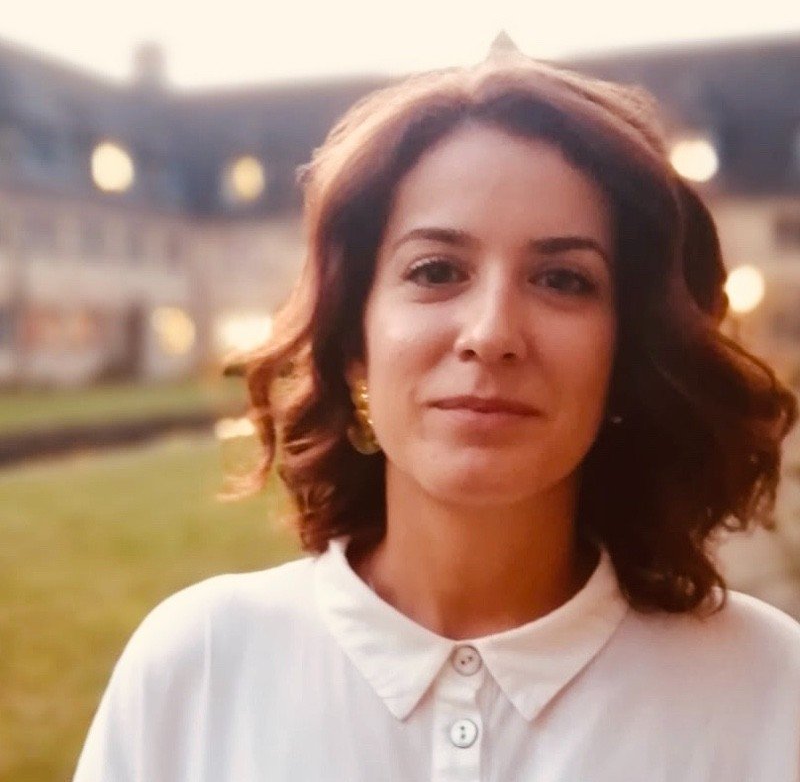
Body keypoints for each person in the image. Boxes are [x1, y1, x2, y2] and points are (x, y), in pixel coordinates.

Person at [74, 51, 800, 782]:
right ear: (353, 342)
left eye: (562, 280)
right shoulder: (197, 667)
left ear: (628, 353)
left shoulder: (769, 687)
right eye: (436, 271)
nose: (490, 332)